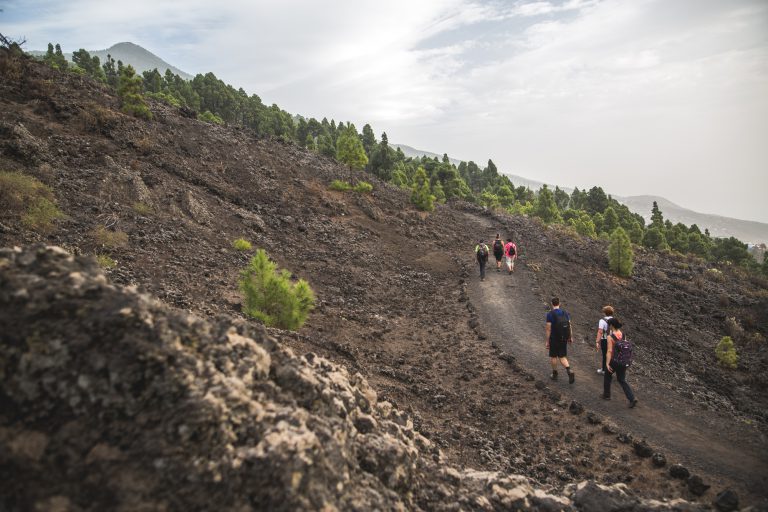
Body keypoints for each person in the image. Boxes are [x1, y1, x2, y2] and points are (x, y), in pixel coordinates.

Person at [603, 317, 638, 408]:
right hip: (623, 361)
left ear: (611, 325)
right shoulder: (623, 334)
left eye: (609, 325)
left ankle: (607, 395)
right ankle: (632, 398)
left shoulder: (610, 337)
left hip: (614, 361)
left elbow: (609, 351)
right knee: (622, 380)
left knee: (607, 375)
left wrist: (607, 363)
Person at [545, 297, 574, 383]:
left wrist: (547, 340)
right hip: (563, 338)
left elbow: (548, 328)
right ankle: (569, 370)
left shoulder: (550, 314)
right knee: (562, 356)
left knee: (554, 356)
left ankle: (555, 374)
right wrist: (570, 337)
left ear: (551, 303)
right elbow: (569, 326)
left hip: (554, 338)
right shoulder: (565, 313)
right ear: (559, 303)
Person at [594, 305, 615, 375]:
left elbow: (600, 331)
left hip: (605, 339)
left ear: (604, 312)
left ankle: (604, 369)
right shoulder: (614, 320)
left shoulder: (602, 321)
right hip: (612, 339)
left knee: (605, 355)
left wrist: (597, 341)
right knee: (611, 354)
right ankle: (610, 369)